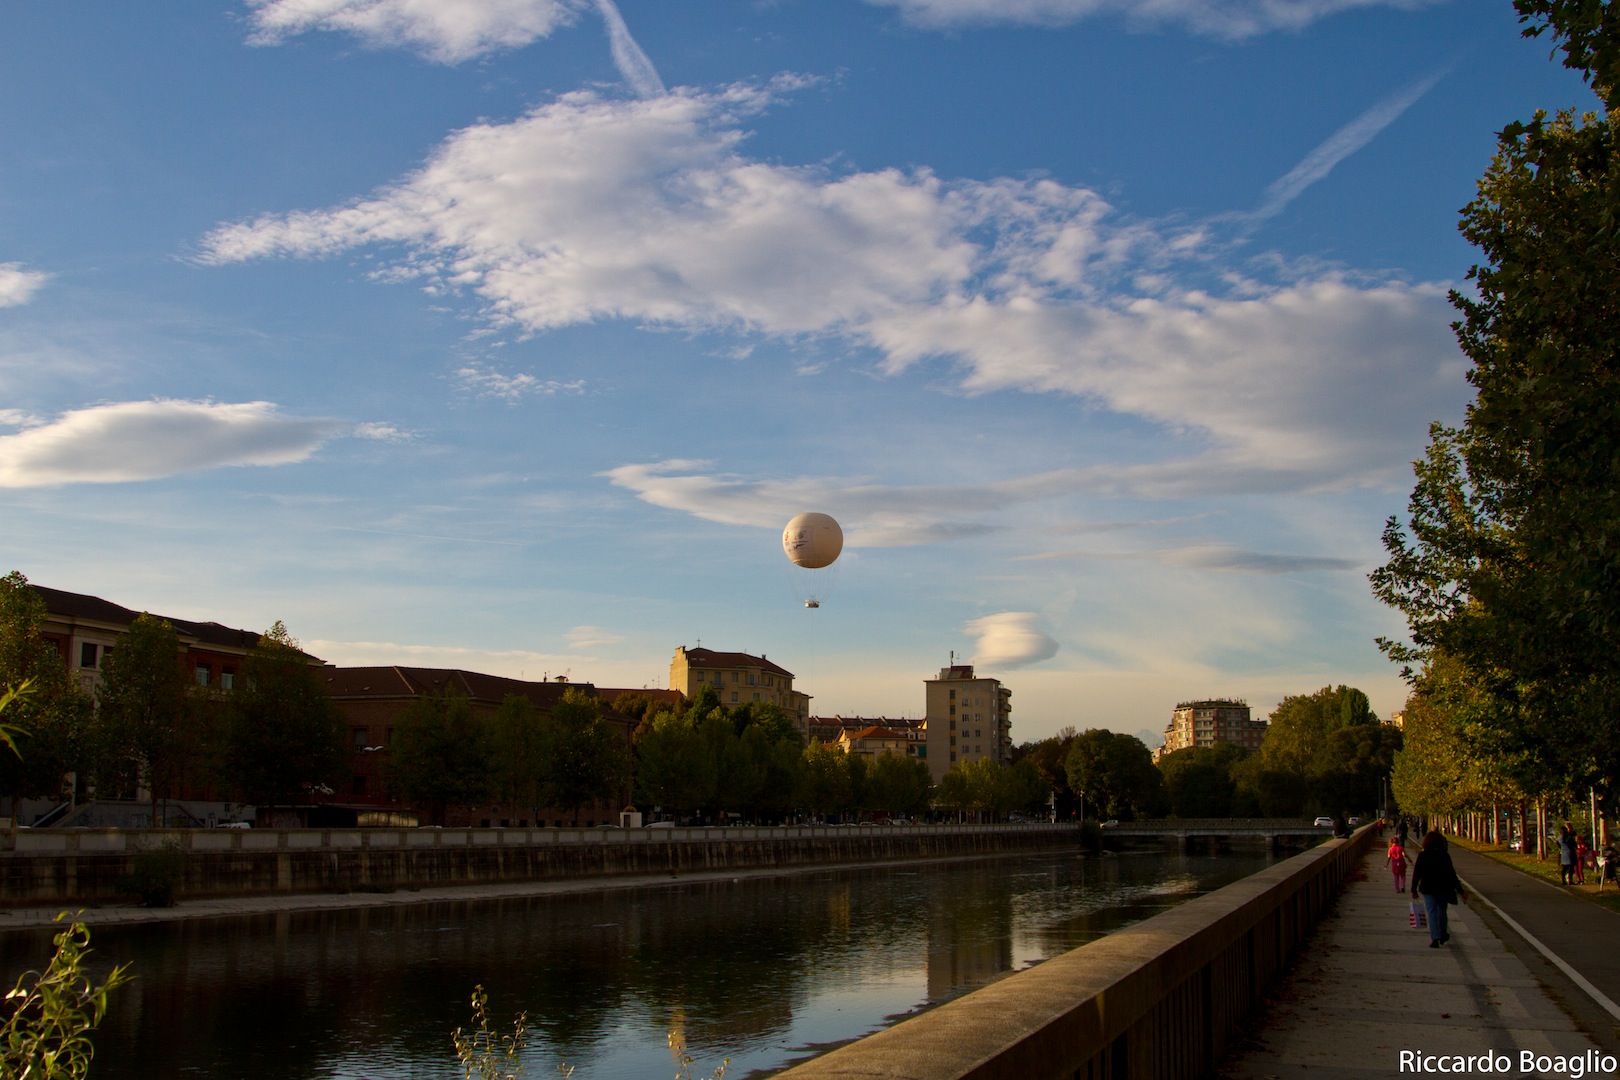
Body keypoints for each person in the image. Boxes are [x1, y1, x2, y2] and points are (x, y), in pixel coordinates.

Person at [1410, 830, 1464, 947]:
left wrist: (1413, 889)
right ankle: (1442, 933)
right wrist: (1461, 891)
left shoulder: (1423, 855)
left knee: (1432, 913)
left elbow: (1417, 873)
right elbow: (1452, 874)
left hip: (1427, 888)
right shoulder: (1444, 855)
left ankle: (1435, 938)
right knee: (1442, 912)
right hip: (1442, 888)